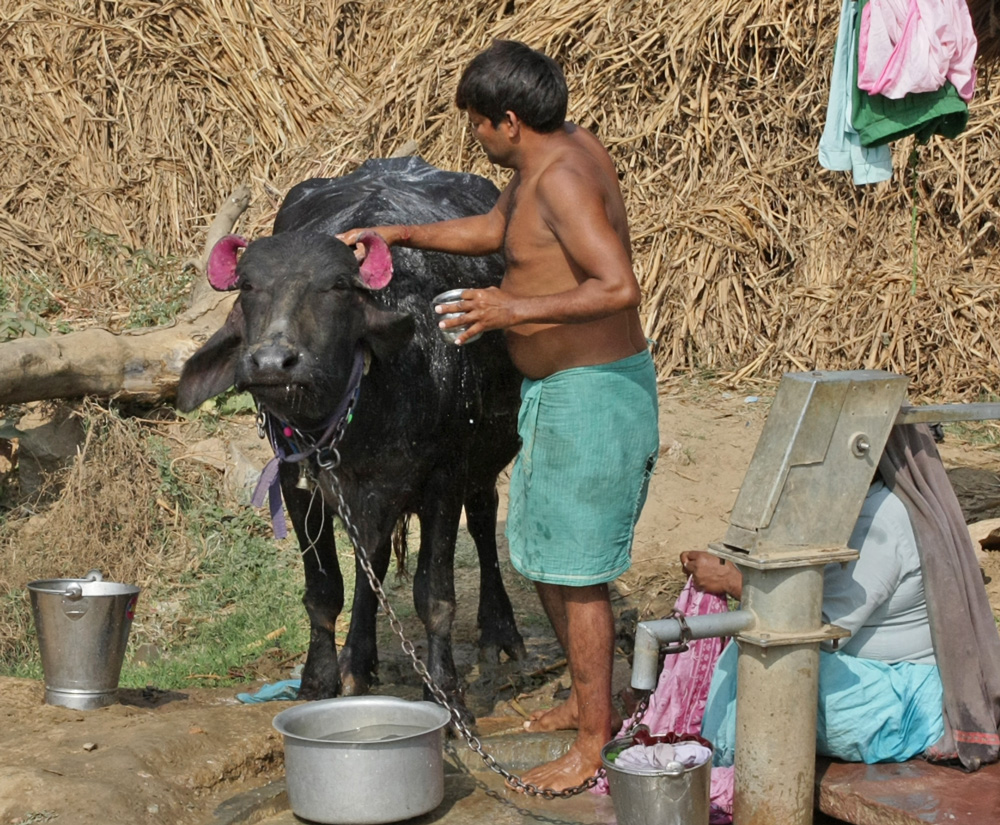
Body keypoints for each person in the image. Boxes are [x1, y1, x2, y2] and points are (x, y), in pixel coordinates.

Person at [337, 39, 659, 792]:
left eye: (477, 124)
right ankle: (592, 706)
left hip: (594, 393)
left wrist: (513, 307)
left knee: (579, 576)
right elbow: (495, 234)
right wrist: (402, 234)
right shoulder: (547, 157)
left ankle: (590, 748)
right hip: (554, 391)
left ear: (507, 120)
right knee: (545, 554)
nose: (474, 136)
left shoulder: (567, 180)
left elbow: (619, 286)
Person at [680, 473, 945, 767]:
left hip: (898, 704)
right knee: (754, 649)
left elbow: (819, 629)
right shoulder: (851, 507)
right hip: (874, 679)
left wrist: (733, 582)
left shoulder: (880, 521)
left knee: (760, 658)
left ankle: (720, 769)